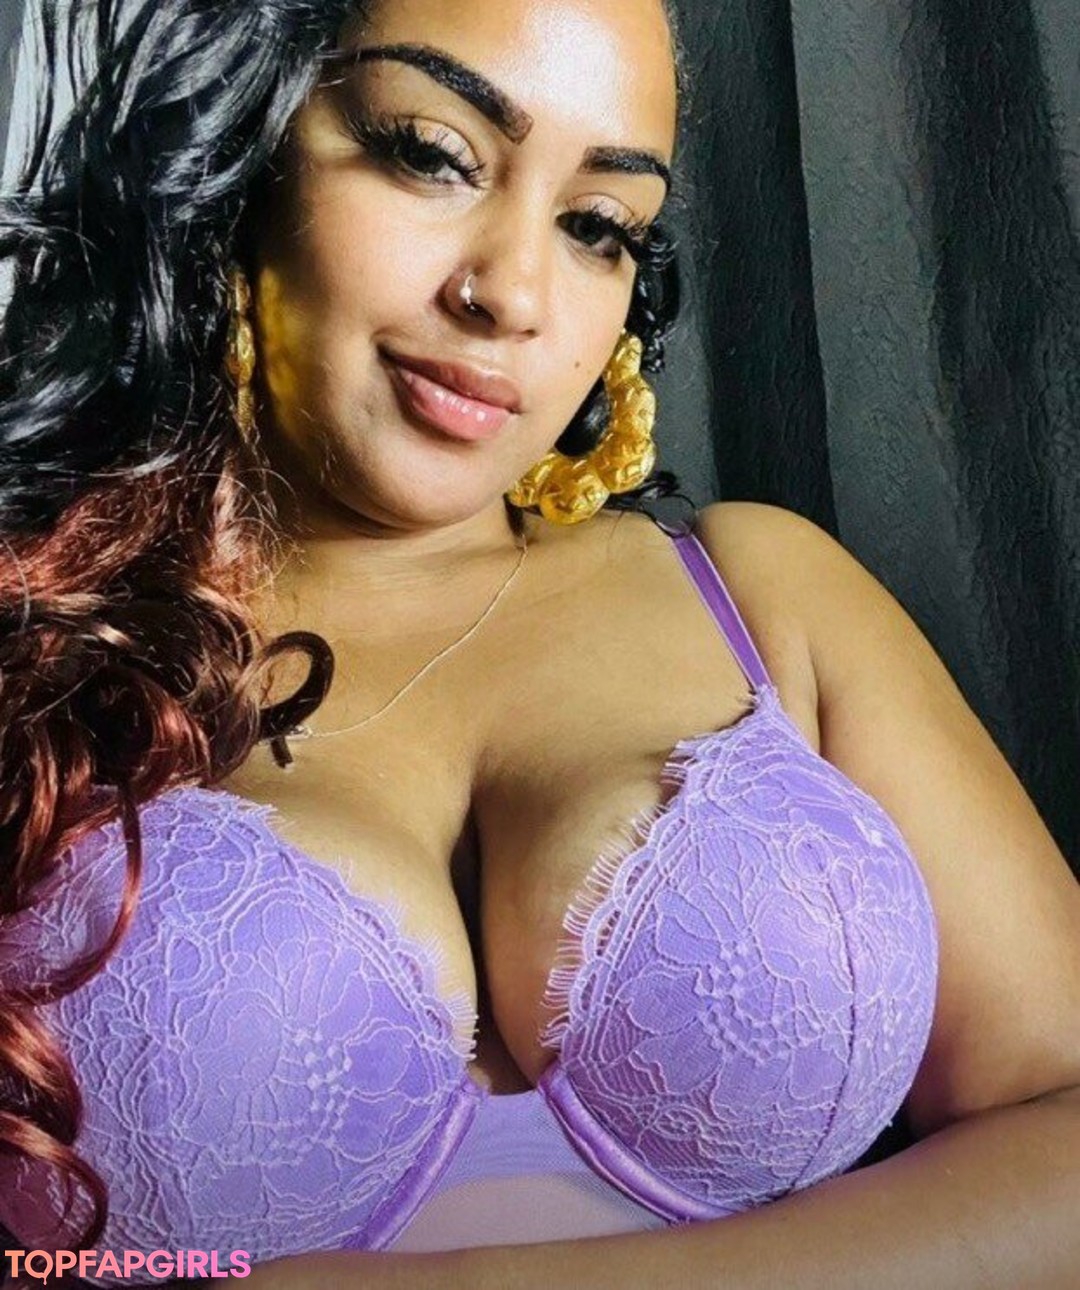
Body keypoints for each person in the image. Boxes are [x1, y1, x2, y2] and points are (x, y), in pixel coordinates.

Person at [0, 0, 1078, 1286]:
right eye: (431, 154)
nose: (512, 293)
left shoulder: (764, 598)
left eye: (597, 225)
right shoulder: (37, 643)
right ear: (247, 148)